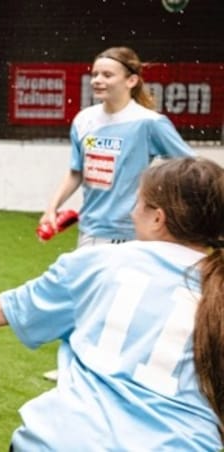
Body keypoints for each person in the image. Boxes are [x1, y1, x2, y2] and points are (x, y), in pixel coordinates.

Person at [0, 157, 224, 451]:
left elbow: (18, 303)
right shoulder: (216, 285)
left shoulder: (99, 262)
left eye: (137, 203)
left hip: (62, 440)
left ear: (158, 218)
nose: (131, 212)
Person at [38, 46, 195, 380]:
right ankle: (78, 365)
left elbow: (188, 167)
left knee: (127, 302)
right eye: (95, 73)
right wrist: (52, 206)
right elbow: (76, 172)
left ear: (132, 80)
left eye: (107, 74)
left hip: (135, 232)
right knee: (85, 295)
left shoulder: (149, 123)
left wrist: (160, 195)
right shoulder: (84, 120)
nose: (98, 80)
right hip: (93, 227)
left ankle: (113, 366)